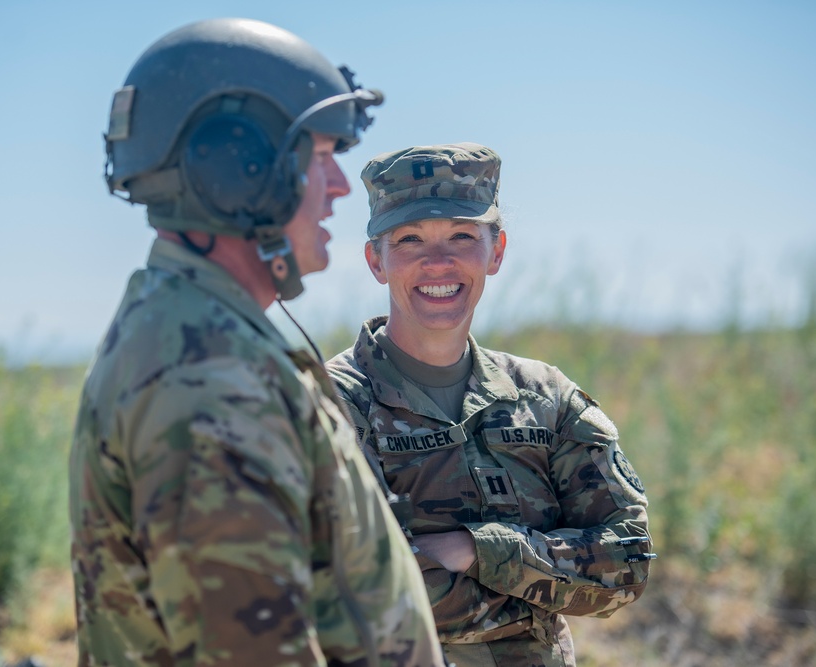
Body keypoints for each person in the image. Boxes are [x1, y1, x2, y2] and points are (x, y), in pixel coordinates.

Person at [68, 19, 448, 667]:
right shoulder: (208, 380)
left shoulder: (199, 334)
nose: (338, 188)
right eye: (322, 156)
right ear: (236, 168)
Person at [326, 143, 656, 667]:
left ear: (496, 251)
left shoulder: (545, 398)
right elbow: (356, 586)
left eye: (462, 236)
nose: (439, 262)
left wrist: (480, 550)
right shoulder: (332, 404)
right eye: (410, 239)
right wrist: (542, 590)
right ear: (376, 260)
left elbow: (628, 559)